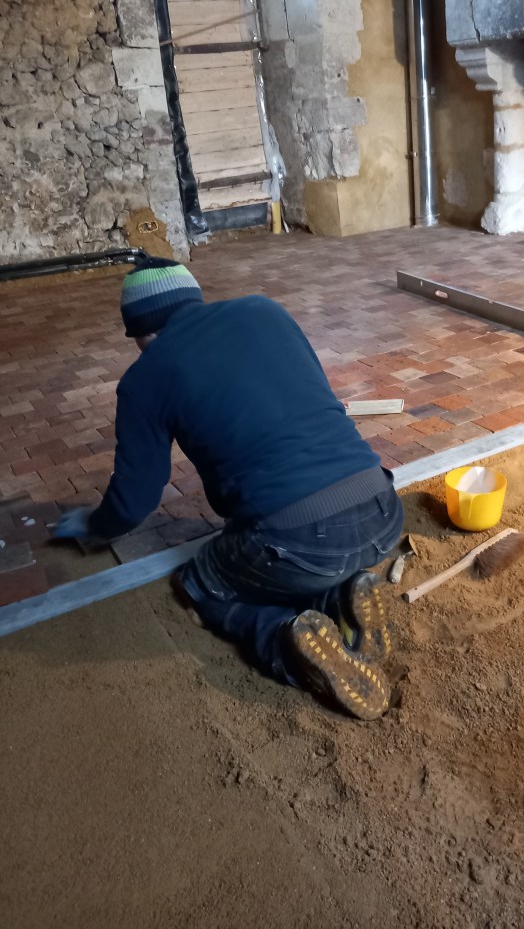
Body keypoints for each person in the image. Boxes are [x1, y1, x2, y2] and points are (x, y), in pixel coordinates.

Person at [53, 255, 404, 720]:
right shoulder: (266, 311)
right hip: (382, 508)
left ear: (141, 332)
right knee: (302, 557)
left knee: (202, 582)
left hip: (299, 540)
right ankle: (342, 597)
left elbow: (137, 496)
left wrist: (94, 525)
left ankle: (286, 641)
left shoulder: (146, 375)